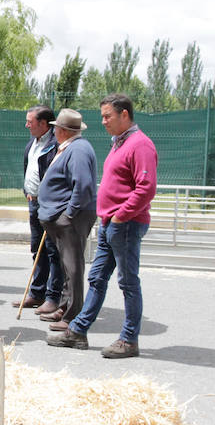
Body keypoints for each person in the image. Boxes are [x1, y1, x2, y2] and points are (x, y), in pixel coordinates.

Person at [48, 94, 158, 358]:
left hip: (126, 224)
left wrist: (121, 215)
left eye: (108, 116)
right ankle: (78, 330)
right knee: (97, 278)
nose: (103, 121)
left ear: (125, 115)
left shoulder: (140, 145)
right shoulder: (120, 143)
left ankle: (129, 340)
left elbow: (146, 187)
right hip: (112, 223)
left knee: (128, 282)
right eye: (103, 116)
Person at [37, 108, 97, 333]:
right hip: (62, 217)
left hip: (71, 218)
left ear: (61, 131)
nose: (54, 131)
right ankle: (65, 307)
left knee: (72, 267)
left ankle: (73, 314)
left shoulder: (78, 150)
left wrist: (68, 214)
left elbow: (82, 185)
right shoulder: (71, 147)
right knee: (66, 266)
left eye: (55, 128)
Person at [12, 105, 62, 313]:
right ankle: (37, 292)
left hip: (49, 207)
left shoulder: (55, 145)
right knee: (37, 249)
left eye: (30, 122)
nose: (27, 125)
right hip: (34, 204)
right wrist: (27, 191)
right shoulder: (33, 143)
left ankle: (53, 296)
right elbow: (29, 169)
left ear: (43, 124)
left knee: (52, 251)